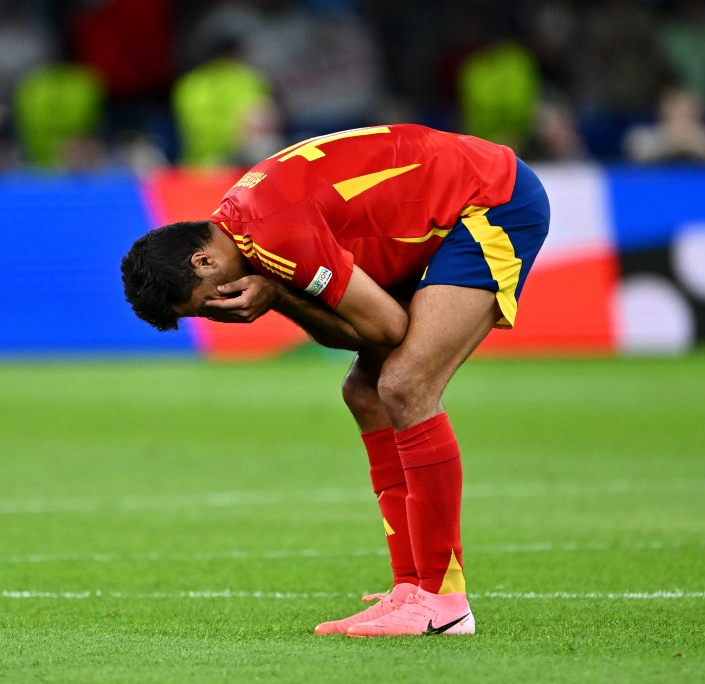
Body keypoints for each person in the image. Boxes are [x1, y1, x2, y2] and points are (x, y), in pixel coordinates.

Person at [121, 124, 549, 637]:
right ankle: (411, 588)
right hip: (442, 203)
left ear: (203, 260)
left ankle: (444, 601)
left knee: (405, 385)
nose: (220, 314)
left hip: (490, 200)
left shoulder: (273, 234)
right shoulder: (244, 225)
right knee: (365, 392)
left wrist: (279, 298)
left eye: (205, 305)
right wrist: (282, 294)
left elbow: (387, 330)